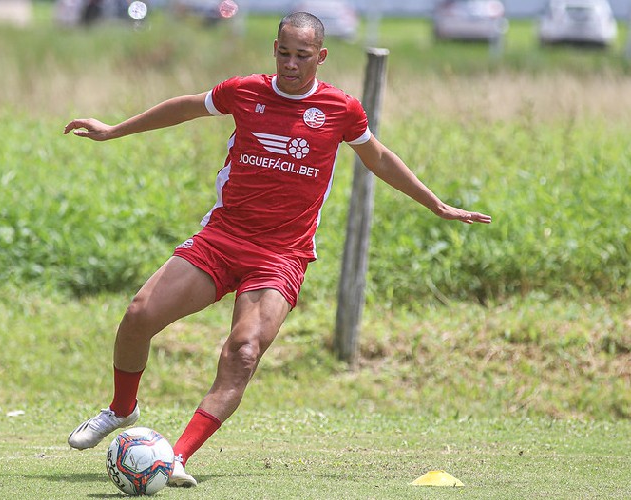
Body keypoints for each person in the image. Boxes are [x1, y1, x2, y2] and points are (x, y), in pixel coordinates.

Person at [63, 11, 491, 487]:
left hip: (280, 255)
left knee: (243, 351)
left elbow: (381, 159)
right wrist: (113, 130)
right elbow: (185, 106)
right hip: (222, 238)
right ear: (274, 49)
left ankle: (176, 457)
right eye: (283, 53)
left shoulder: (341, 110)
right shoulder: (244, 91)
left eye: (302, 56)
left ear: (321, 57)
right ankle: (122, 409)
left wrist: (435, 204)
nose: (290, 63)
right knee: (140, 313)